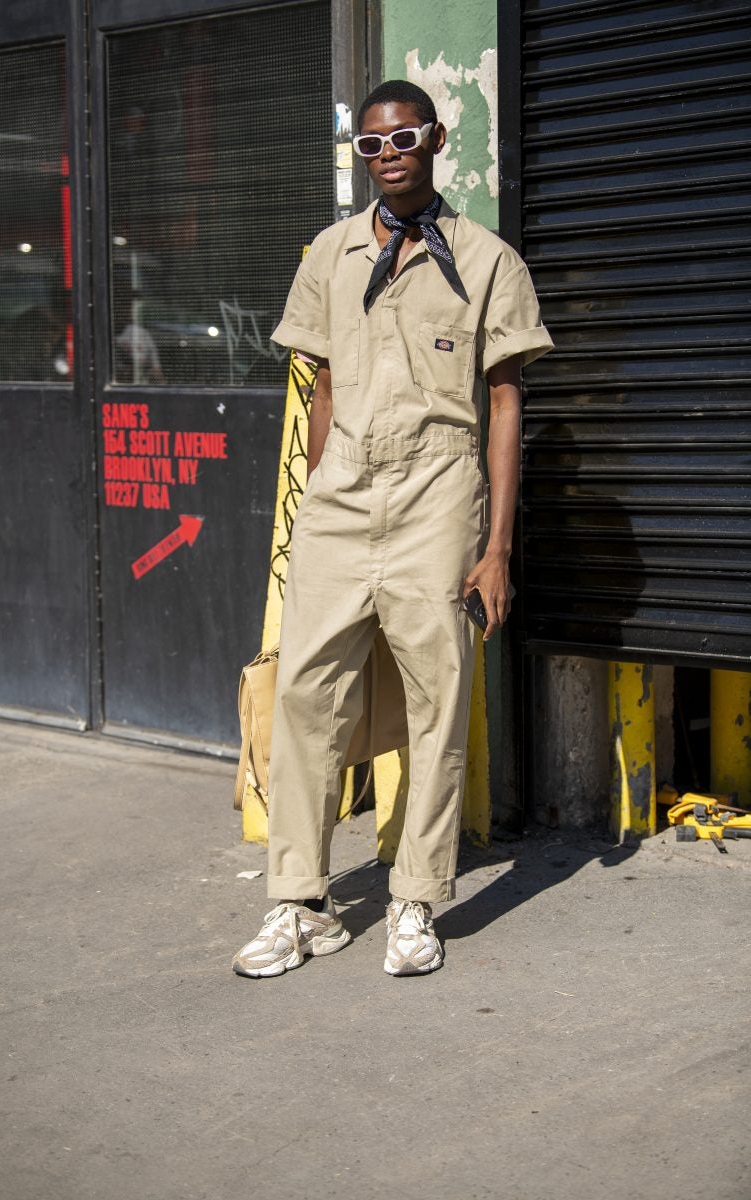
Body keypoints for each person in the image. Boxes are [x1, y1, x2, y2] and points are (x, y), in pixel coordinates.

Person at [232, 80, 553, 978]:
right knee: (304, 695)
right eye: (373, 143)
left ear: (437, 137)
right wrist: (318, 493)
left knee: (437, 701)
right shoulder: (329, 256)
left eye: (405, 135)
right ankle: (300, 902)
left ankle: (415, 898)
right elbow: (323, 385)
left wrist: (494, 547)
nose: (390, 153)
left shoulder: (490, 263)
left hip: (438, 498)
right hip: (341, 498)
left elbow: (503, 403)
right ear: (361, 155)